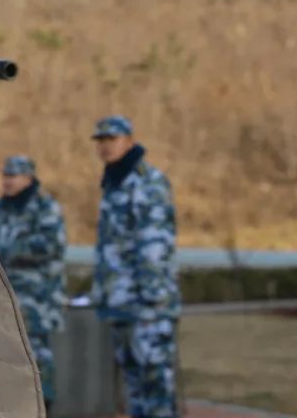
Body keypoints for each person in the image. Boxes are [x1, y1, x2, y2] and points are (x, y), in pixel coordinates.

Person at [90, 115, 180, 418]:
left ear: (129, 141)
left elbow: (155, 245)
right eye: (100, 141)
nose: (105, 147)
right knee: (134, 384)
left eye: (111, 140)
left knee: (155, 383)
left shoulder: (146, 181)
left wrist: (152, 301)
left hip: (146, 305)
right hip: (122, 301)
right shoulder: (115, 181)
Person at [0, 155, 65, 411]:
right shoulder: (2, 207)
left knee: (38, 354)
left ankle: (45, 406)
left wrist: (5, 250)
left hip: (37, 296)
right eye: (5, 176)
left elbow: (52, 245)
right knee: (9, 354)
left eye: (13, 176)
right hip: (5, 295)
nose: (7, 182)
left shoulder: (44, 207)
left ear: (28, 178)